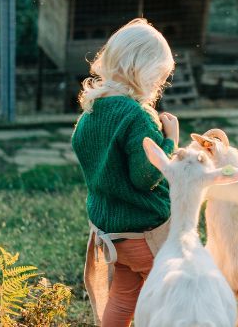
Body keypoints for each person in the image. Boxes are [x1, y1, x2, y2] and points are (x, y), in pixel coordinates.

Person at [71, 18, 178, 327]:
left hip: (113, 234)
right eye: (159, 77)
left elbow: (85, 149)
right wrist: (170, 141)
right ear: (141, 70)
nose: (158, 85)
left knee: (122, 297)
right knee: (167, 298)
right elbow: (145, 177)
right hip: (147, 232)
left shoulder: (91, 111)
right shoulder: (137, 116)